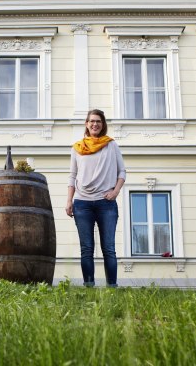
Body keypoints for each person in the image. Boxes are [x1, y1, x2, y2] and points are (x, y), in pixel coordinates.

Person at [65, 109, 126, 287]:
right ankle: (89, 287)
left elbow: (122, 171)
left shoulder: (111, 145)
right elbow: (72, 176)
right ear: (86, 124)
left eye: (98, 121)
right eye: (91, 121)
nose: (95, 124)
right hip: (82, 204)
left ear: (103, 124)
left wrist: (115, 192)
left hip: (106, 203)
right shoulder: (77, 148)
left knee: (109, 249)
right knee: (86, 249)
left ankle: (112, 287)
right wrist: (69, 200)